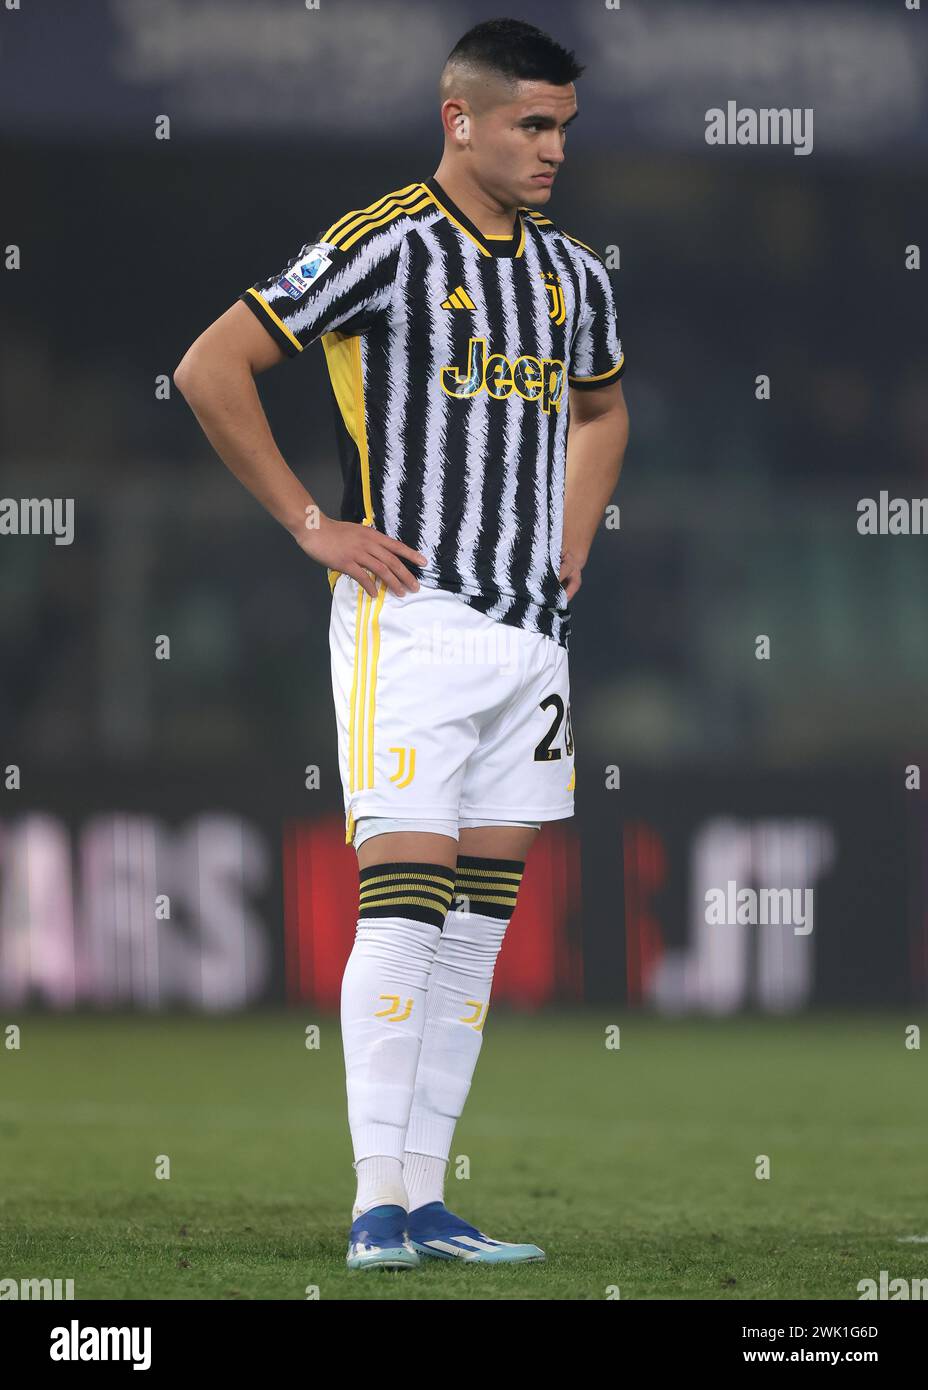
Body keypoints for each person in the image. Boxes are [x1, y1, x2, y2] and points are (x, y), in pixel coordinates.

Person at [174, 16, 629, 1271]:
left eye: (562, 128)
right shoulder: (384, 242)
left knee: (477, 927)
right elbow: (213, 364)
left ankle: (429, 1199)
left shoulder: (573, 272)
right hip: (411, 621)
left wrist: (571, 533)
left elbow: (602, 407)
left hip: (531, 637)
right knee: (405, 902)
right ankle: (377, 1201)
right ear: (459, 119)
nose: (551, 150)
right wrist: (312, 523)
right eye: (531, 125)